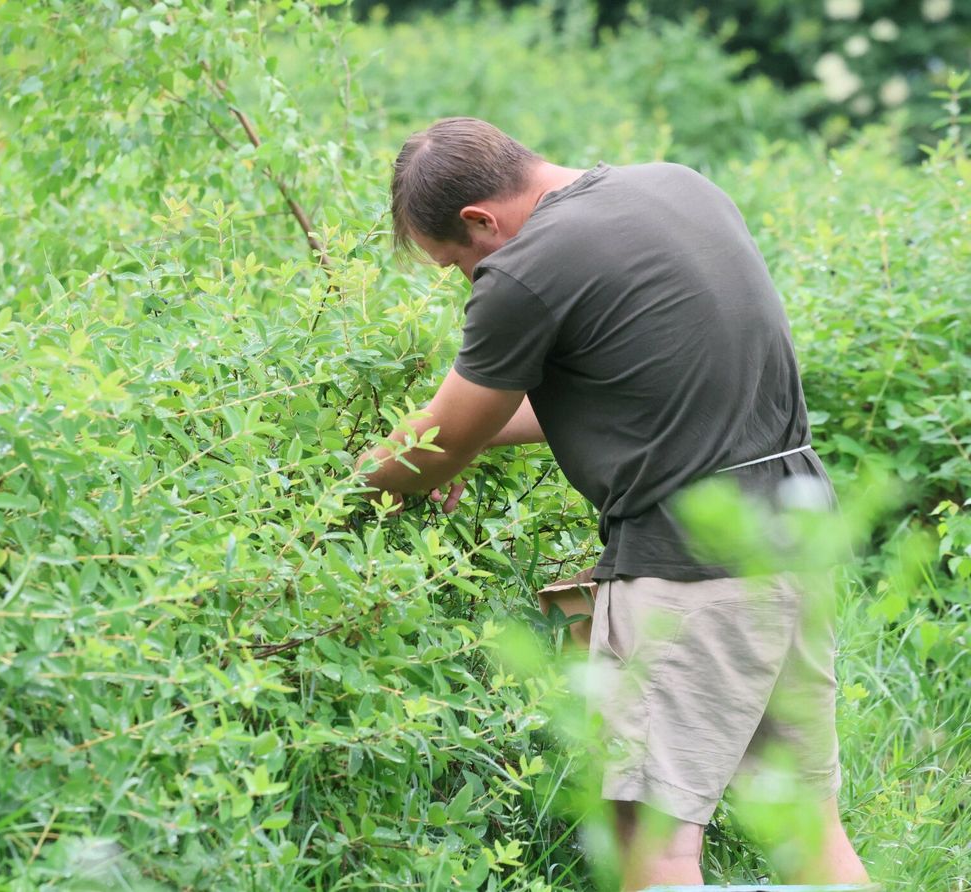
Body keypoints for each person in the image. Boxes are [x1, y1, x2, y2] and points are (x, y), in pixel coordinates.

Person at [354, 117, 871, 890]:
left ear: (479, 221)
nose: (467, 281)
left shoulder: (526, 267)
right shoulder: (677, 185)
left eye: (455, 264)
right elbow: (634, 390)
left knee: (652, 842)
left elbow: (441, 435)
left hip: (690, 565)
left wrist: (356, 476)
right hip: (796, 533)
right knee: (804, 825)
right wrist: (458, 445)